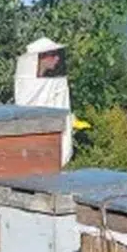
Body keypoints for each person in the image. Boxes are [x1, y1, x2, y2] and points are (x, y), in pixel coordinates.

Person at [14, 37, 74, 165]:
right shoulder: (27, 83)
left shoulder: (54, 83)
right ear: (40, 58)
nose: (57, 58)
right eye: (52, 55)